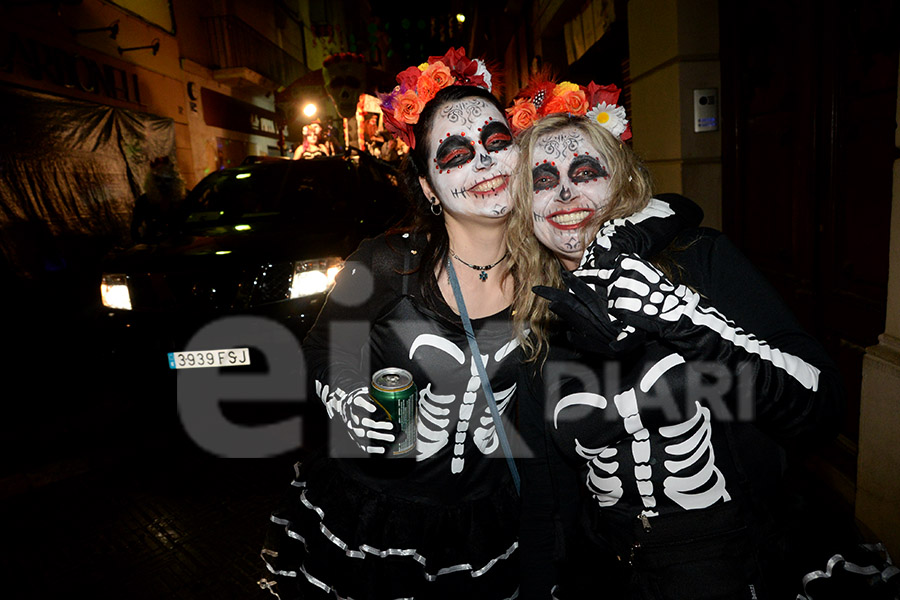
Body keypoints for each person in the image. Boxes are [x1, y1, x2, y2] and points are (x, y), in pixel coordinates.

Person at [506, 77, 844, 598]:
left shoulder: (699, 262)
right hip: (618, 574)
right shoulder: (540, 318)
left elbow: (820, 407)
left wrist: (679, 316)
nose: (566, 193)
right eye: (544, 180)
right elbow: (546, 494)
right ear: (527, 210)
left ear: (618, 184)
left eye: (585, 172)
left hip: (743, 563)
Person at [261, 48, 526, 599]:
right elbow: (320, 348)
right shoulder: (384, 261)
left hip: (492, 518)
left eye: (498, 144)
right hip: (378, 516)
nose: (483, 162)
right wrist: (348, 399)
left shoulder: (549, 269)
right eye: (455, 153)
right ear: (429, 188)